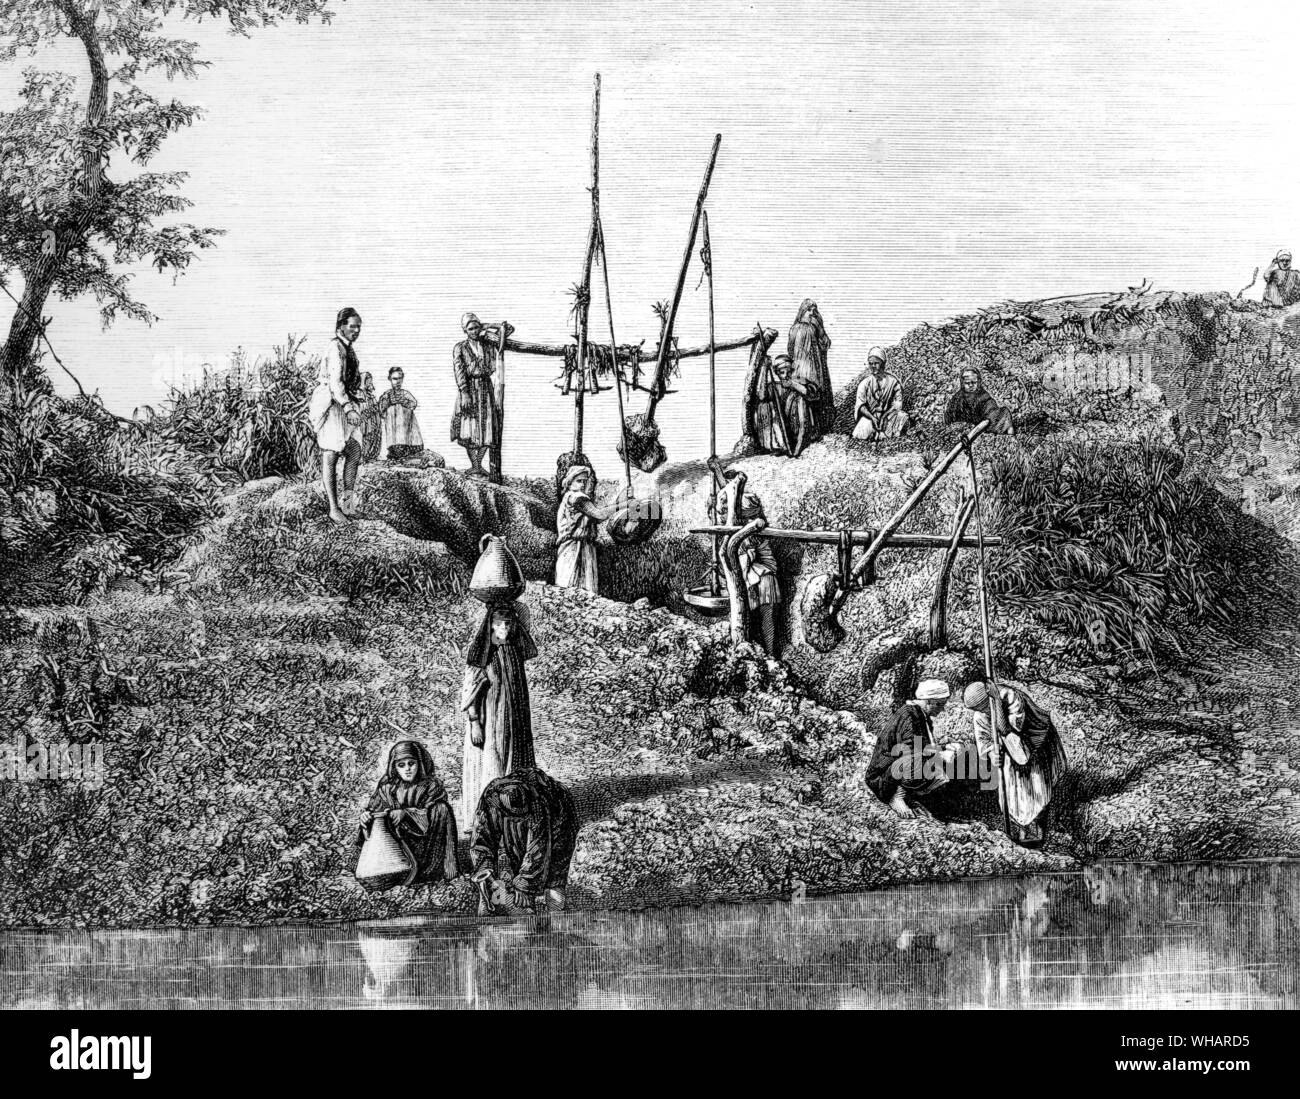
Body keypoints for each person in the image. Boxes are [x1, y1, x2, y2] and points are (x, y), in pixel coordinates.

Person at [459, 601, 538, 831]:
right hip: (491, 724)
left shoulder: (513, 651)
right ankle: (489, 819)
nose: (504, 627)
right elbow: (470, 694)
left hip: (516, 725)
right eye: (498, 623)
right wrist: (475, 723)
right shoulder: (481, 655)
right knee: (493, 768)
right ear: (490, 626)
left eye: (508, 622)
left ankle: (515, 815)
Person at [962, 680, 1068, 846]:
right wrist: (991, 754)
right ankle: (1021, 831)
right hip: (1010, 753)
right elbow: (984, 740)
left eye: (982, 707)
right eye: (977, 710)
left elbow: (1009, 731)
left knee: (1037, 789)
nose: (980, 712)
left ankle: (1038, 833)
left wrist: (997, 702)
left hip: (1033, 748)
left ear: (987, 699)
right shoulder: (980, 714)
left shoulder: (1011, 698)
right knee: (1013, 793)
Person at [470, 767, 578, 915]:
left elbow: (538, 848)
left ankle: (556, 922)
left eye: (519, 816)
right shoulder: (491, 797)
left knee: (555, 877)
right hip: (519, 824)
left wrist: (524, 885)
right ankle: (528, 912)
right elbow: (480, 838)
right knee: (515, 858)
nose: (517, 819)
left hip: (559, 820)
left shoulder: (539, 800)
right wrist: (484, 868)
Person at [355, 740, 460, 885]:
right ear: (395, 767)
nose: (407, 769)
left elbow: (432, 815)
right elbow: (375, 811)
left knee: (442, 809)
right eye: (401, 765)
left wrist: (406, 814)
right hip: (399, 845)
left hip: (427, 845)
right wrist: (367, 818)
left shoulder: (431, 785)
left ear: (420, 763)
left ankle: (442, 873)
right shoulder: (387, 787)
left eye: (411, 763)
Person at [865, 680, 962, 819]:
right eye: (940, 704)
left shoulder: (919, 714)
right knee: (922, 762)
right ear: (929, 702)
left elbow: (920, 745)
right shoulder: (909, 715)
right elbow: (910, 751)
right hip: (882, 776)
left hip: (893, 770)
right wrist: (941, 754)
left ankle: (908, 797)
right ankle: (896, 797)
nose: (942, 709)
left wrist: (944, 747)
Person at [307, 307, 365, 523]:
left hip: (345, 402)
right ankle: (334, 508)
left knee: (354, 450)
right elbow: (335, 383)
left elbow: (349, 380)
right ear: (341, 326)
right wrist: (349, 407)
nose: (356, 330)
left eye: (359, 327)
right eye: (353, 326)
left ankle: (348, 506)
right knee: (330, 454)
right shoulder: (335, 347)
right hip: (332, 404)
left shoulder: (349, 348)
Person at [721, 488, 781, 655]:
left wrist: (747, 557)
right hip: (755, 578)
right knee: (754, 621)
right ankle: (759, 654)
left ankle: (768, 655)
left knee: (765, 621)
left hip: (763, 579)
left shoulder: (754, 533)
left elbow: (764, 561)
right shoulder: (743, 533)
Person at [554, 464, 620, 594]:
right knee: (569, 585)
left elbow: (597, 518)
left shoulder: (573, 497)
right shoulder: (575, 497)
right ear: (570, 482)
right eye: (579, 481)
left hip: (584, 545)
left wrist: (620, 503)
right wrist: (623, 505)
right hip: (573, 546)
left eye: (585, 481)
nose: (583, 484)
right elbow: (599, 514)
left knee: (585, 590)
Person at [452, 312, 502, 477]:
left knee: (487, 428)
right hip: (469, 389)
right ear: (465, 330)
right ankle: (474, 465)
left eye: (476, 327)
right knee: (469, 429)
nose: (474, 331)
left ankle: (479, 465)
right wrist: (464, 392)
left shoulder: (487, 344)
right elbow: (459, 371)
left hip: (485, 389)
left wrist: (486, 325)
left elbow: (506, 329)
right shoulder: (460, 347)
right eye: (470, 328)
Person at [787, 298, 835, 437]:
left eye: (814, 311)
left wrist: (820, 330)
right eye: (809, 310)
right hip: (799, 367)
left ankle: (817, 429)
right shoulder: (794, 328)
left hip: (814, 367)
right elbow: (790, 348)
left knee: (816, 394)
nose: (811, 313)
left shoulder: (814, 324)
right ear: (802, 311)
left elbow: (825, 342)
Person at [852, 347, 911, 440]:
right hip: (871, 417)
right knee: (860, 433)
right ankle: (877, 434)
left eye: (876, 363)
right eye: (871, 364)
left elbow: (898, 404)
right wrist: (872, 418)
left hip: (889, 416)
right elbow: (861, 405)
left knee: (903, 417)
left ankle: (884, 435)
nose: (873, 366)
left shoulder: (893, 382)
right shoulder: (864, 383)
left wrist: (884, 416)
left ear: (883, 364)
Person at [773, 353, 820, 457]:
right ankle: (784, 447)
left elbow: (813, 394)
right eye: (782, 372)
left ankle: (798, 448)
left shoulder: (799, 381)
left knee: (800, 400)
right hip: (789, 429)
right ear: (777, 373)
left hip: (804, 427)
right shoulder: (776, 387)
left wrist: (794, 385)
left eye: (789, 372)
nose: (786, 375)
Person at [944, 368, 1015, 434]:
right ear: (962, 383)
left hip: (982, 430)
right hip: (962, 431)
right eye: (967, 383)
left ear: (978, 382)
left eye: (974, 382)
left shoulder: (984, 396)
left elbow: (991, 414)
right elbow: (950, 417)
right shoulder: (957, 399)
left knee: (1005, 413)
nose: (971, 385)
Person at [377, 365, 424, 461]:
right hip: (392, 426)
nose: (397, 382)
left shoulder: (405, 393)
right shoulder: (386, 395)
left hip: (405, 425)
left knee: (405, 440)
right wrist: (387, 403)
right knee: (394, 443)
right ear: (389, 379)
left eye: (400, 378)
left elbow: (414, 403)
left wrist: (404, 402)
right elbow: (381, 410)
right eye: (395, 379)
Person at [358, 371, 383, 463]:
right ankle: (363, 456)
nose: (370, 384)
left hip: (374, 421)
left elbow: (376, 407)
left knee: (373, 437)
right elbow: (362, 410)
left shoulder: (371, 396)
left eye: (370, 381)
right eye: (368, 381)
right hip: (366, 422)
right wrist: (371, 409)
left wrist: (376, 408)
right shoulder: (360, 395)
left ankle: (372, 455)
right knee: (366, 438)